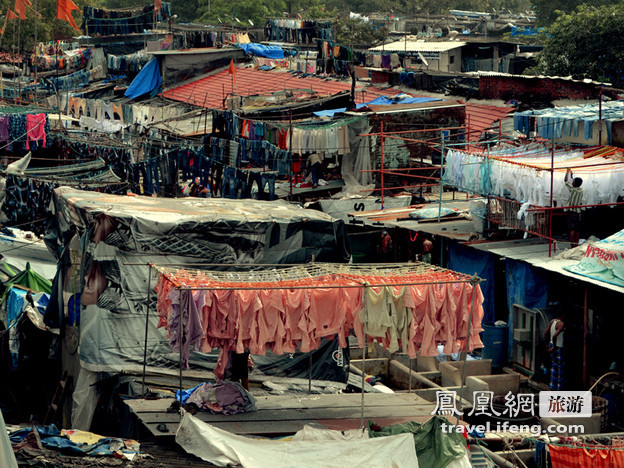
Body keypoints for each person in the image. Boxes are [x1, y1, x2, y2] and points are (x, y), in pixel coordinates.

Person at [544, 314, 565, 390]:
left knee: (553, 366)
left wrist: (547, 345)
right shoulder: (561, 324)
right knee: (560, 369)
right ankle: (559, 390)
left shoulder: (552, 321)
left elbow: (546, 333)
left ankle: (552, 387)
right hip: (558, 347)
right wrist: (554, 347)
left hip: (551, 344)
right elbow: (554, 336)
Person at [564, 169, 584, 248]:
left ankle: (572, 246)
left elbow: (566, 181)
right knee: (577, 230)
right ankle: (576, 245)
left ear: (574, 184)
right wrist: (572, 176)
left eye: (573, 182)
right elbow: (574, 183)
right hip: (578, 213)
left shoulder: (572, 190)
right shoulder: (581, 190)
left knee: (572, 230)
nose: (572, 183)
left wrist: (567, 172)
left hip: (572, 212)